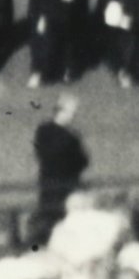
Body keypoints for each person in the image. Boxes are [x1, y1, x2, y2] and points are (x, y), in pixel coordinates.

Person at [31, 97, 88, 248]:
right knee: (54, 219)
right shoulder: (56, 133)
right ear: (60, 111)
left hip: (60, 185)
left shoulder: (65, 134)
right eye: (71, 112)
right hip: (56, 186)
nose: (73, 116)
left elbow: (82, 160)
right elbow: (79, 160)